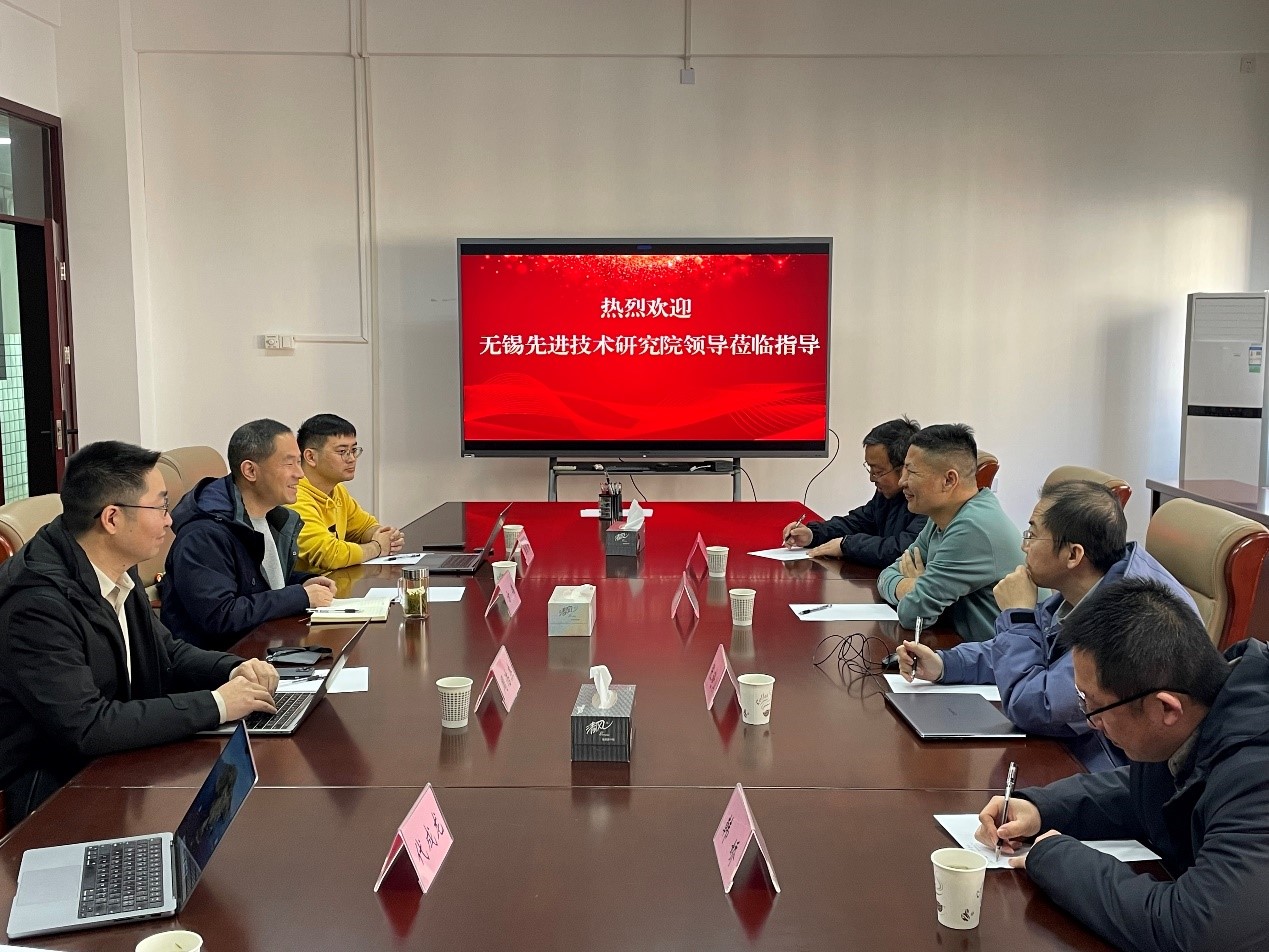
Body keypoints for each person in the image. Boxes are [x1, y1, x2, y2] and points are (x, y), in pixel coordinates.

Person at [975, 579, 1269, 952]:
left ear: (1165, 708)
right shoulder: (1206, 708)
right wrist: (1041, 809)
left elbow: (1198, 931)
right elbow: (1148, 790)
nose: (1091, 721)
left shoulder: (1257, 772)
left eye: (1094, 707)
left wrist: (1056, 857)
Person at [0, 441, 280, 826]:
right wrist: (218, 704)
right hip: (55, 794)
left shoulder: (113, 562)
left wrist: (233, 669)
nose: (169, 520)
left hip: (118, 761)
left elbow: (167, 651)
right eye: (160, 507)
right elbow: (88, 726)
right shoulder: (36, 605)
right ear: (113, 519)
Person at [898, 480, 1198, 770]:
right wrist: (945, 665)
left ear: (1073, 554)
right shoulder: (1092, 582)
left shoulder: (1126, 621)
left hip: (1109, 771)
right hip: (1079, 747)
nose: (1023, 546)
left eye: (1032, 535)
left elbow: (1037, 707)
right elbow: (1035, 646)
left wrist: (1018, 615)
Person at [161, 419, 336, 649]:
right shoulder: (203, 535)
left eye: (299, 462)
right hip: (227, 661)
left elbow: (259, 584)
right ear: (250, 471)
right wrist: (299, 596)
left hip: (267, 647)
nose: (300, 474)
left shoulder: (272, 517)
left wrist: (302, 582)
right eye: (289, 463)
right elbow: (221, 616)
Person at [877, 423, 1022, 641]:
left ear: (949, 480)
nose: (901, 481)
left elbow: (913, 614)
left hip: (1000, 658)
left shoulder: (973, 528)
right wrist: (914, 586)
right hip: (962, 645)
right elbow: (887, 574)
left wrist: (920, 589)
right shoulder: (943, 516)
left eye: (911, 471)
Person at [780, 417, 927, 567]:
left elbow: (906, 549)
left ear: (904, 467)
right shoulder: (886, 496)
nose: (871, 478)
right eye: (870, 469)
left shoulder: (927, 501)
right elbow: (857, 523)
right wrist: (813, 534)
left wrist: (846, 545)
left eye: (878, 471)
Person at [288, 413, 404, 572]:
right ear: (310, 457)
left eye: (354, 450)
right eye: (342, 451)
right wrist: (377, 547)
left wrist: (385, 535)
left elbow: (363, 528)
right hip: (307, 586)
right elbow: (329, 555)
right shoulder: (294, 496)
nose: (351, 459)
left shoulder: (337, 490)